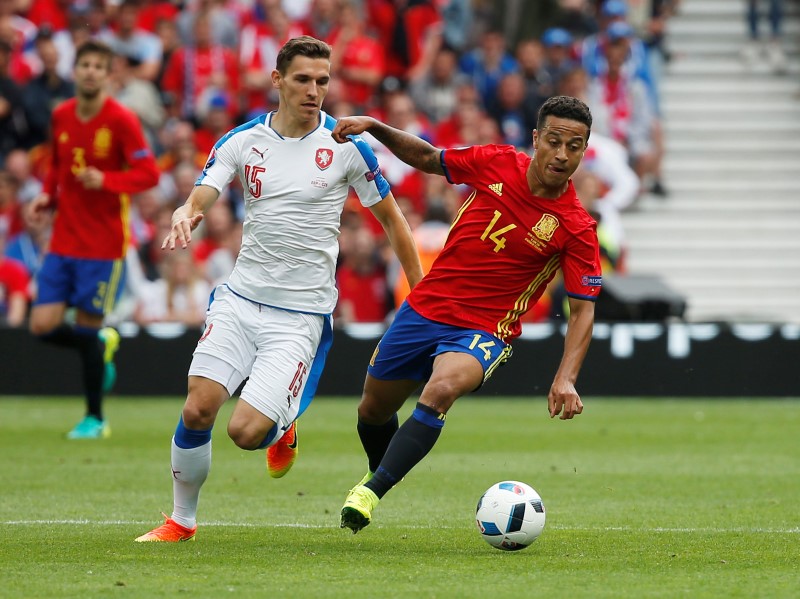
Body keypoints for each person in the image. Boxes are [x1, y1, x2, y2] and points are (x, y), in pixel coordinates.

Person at [134, 36, 423, 543]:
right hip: (241, 298)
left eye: (323, 81)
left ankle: (282, 423)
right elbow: (204, 191)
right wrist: (186, 212)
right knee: (198, 406)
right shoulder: (243, 140)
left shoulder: (346, 145)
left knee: (245, 433)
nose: (315, 90)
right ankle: (181, 521)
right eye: (303, 79)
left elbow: (395, 224)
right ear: (277, 81)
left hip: (300, 315)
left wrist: (421, 296)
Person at [330, 95, 601, 534]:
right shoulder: (495, 161)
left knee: (440, 389)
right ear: (536, 139)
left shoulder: (576, 227)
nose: (562, 155)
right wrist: (375, 126)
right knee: (372, 411)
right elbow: (428, 157)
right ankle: (382, 471)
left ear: (584, 151)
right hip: (426, 309)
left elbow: (582, 311)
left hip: (485, 329)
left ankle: (371, 491)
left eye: (574, 147)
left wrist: (565, 377)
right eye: (554, 142)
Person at [28, 40, 160, 440]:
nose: (89, 71)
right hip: (64, 239)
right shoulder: (62, 115)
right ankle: (101, 343)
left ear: (108, 74)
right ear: (76, 69)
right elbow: (58, 164)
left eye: (97, 66)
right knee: (42, 324)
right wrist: (47, 196)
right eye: (83, 64)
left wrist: (108, 180)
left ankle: (94, 418)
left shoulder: (121, 119)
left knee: (85, 327)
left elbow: (148, 174)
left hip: (104, 245)